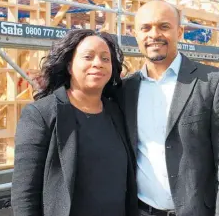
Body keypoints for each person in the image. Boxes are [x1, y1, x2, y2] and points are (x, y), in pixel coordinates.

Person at [115, 1, 219, 216]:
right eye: (145, 28)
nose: (154, 34)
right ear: (134, 34)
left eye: (164, 26)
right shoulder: (125, 90)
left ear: (180, 31)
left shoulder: (211, 82)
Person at [11, 29, 138, 216]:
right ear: (69, 66)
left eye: (105, 58)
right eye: (88, 57)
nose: (98, 63)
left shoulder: (116, 113)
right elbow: (25, 192)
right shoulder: (42, 114)